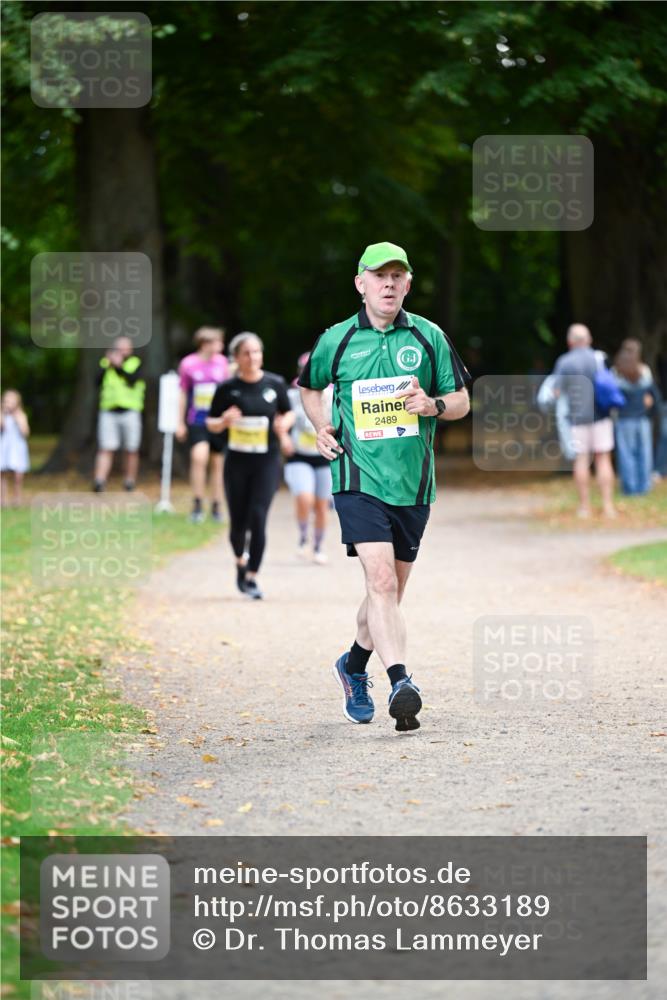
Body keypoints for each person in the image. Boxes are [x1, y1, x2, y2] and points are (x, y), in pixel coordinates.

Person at [299, 241, 471, 731]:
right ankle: (401, 682)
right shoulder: (337, 339)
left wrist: (433, 406)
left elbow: (461, 399)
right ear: (361, 284)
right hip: (356, 478)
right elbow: (309, 385)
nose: (389, 284)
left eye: (398, 276)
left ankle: (353, 666)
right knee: (379, 582)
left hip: (413, 483)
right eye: (380, 276)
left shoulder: (428, 335)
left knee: (389, 593)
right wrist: (320, 426)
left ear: (408, 283)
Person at [207, 332, 294, 600]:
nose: (253, 357)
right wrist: (224, 421)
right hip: (237, 462)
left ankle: (253, 576)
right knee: (238, 522)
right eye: (247, 353)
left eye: (257, 352)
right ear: (236, 358)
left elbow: (287, 411)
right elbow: (210, 423)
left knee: (258, 517)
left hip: (266, 460)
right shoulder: (227, 388)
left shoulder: (275, 384)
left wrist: (284, 426)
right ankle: (239, 561)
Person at [552, 324, 616, 519]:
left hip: (577, 419)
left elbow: (556, 392)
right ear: (588, 340)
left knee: (581, 460)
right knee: (603, 459)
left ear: (570, 341)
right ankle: (608, 507)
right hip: (601, 416)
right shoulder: (600, 358)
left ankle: (584, 507)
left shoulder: (564, 362)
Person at [283, 352, 333, 564]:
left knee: (322, 505)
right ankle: (303, 536)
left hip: (325, 457)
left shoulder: (333, 394)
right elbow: (286, 417)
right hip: (298, 456)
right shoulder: (293, 394)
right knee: (305, 498)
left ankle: (318, 546)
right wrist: (283, 435)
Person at [176, 326, 229, 523]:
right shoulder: (188, 364)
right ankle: (197, 502)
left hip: (219, 421)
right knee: (199, 457)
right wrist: (179, 422)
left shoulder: (223, 363)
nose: (221, 346)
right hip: (197, 420)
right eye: (217, 342)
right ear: (205, 343)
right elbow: (182, 394)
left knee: (218, 463)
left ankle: (216, 505)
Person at [93, 337, 145, 492]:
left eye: (126, 348)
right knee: (106, 447)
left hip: (130, 411)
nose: (122, 351)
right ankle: (99, 481)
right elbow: (96, 382)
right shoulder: (105, 364)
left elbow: (132, 380)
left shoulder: (135, 363)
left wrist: (118, 366)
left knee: (131, 448)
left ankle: (129, 481)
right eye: (119, 348)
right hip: (109, 411)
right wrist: (108, 365)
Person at [612, 339, 660, 495]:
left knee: (626, 454)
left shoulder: (616, 371)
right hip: (642, 419)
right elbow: (652, 397)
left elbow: (613, 397)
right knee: (644, 454)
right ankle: (644, 486)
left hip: (624, 419)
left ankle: (630, 488)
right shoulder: (644, 371)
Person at [1, 389, 30, 506]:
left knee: (17, 475)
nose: (8, 403)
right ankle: (2, 499)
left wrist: (17, 419)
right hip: (3, 447)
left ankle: (17, 498)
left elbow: (25, 432)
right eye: (6, 400)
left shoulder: (21, 415)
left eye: (11, 400)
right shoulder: (2, 415)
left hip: (17, 448)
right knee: (2, 473)